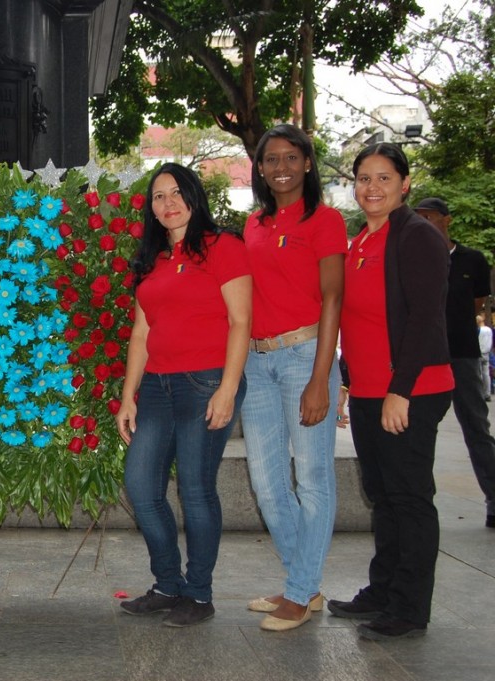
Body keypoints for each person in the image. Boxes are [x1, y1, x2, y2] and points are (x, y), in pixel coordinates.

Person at [115, 163, 252, 627]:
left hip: (206, 382)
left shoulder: (223, 247)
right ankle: (167, 584)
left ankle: (198, 594)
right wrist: (128, 397)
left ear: (194, 197)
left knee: (195, 489)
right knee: (141, 485)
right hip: (157, 385)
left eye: (176, 193)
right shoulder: (151, 260)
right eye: (158, 196)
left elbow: (240, 322)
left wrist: (228, 389)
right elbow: (140, 333)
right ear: (151, 208)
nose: (168, 203)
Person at [330, 143, 453, 640]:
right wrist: (346, 379)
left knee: (409, 498)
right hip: (368, 389)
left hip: (410, 390)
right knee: (382, 495)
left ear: (405, 184)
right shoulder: (361, 240)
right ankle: (382, 591)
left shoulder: (416, 236)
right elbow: (355, 320)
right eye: (364, 178)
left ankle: (408, 607)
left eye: (384, 178)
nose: (372, 187)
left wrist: (400, 390)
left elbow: (425, 317)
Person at [240, 124, 346, 631]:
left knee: (313, 478)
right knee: (266, 483)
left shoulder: (325, 220)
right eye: (271, 159)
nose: (280, 167)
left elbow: (333, 298)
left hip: (305, 355)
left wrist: (321, 378)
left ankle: (300, 592)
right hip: (256, 362)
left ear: (306, 163)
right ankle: (303, 582)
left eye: (290, 157)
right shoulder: (254, 224)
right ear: (260, 169)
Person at [414, 197, 495, 529]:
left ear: (446, 220)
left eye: (430, 217)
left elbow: (476, 302)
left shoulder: (472, 259)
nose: (424, 222)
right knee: (419, 432)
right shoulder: (412, 258)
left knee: (476, 426)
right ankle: (418, 505)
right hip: (423, 355)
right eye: (419, 217)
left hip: (462, 354)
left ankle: (493, 498)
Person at [478, 315, 492, 401]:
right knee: (486, 374)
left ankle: (480, 393)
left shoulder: (479, 330)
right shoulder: (489, 330)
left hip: (479, 352)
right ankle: (487, 393)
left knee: (479, 374)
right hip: (487, 352)